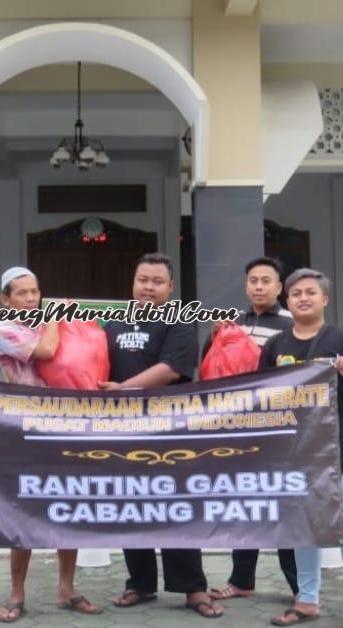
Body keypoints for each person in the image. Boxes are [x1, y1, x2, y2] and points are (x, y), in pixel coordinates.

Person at [101, 253, 224, 619]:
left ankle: (193, 588)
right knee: (129, 506)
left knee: (176, 506)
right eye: (143, 280)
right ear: (133, 282)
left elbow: (171, 369)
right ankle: (139, 583)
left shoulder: (180, 320)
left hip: (171, 426)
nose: (148, 288)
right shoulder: (114, 321)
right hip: (121, 427)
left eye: (157, 282)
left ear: (170, 287)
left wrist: (123, 389)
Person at [260, 268, 343, 628]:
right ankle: (306, 600)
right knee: (301, 526)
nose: (303, 298)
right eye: (296, 294)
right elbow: (260, 395)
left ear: (324, 299)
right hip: (292, 451)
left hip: (338, 450)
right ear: (287, 300)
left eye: (310, 292)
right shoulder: (275, 346)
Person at [0, 266, 103, 623]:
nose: (30, 299)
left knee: (68, 504)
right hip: (25, 428)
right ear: (5, 300)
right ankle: (16, 593)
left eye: (35, 292)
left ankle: (67, 589)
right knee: (24, 510)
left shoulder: (43, 321)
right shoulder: (4, 330)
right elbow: (49, 351)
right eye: (21, 293)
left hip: (65, 425)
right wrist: (57, 316)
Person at [202, 257, 299, 603]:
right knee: (243, 504)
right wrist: (215, 339)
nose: (259, 286)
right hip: (238, 430)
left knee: (285, 506)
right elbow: (211, 370)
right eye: (253, 281)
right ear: (245, 286)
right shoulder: (234, 323)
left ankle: (300, 586)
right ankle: (241, 579)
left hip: (279, 430)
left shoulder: (292, 324)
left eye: (266, 281)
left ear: (279, 287)